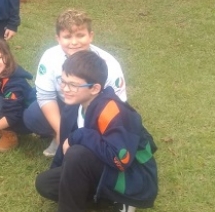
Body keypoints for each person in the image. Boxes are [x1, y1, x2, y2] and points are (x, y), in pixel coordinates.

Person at [35, 51, 158, 212]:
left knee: (77, 153)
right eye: (63, 82)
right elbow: (64, 147)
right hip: (101, 164)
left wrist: (80, 135)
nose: (65, 89)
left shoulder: (112, 111)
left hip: (132, 176)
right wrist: (60, 171)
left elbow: (120, 160)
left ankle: (124, 200)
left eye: (73, 85)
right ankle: (103, 197)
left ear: (94, 88)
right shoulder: (72, 105)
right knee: (45, 183)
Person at [23, 9, 127, 157]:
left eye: (80, 35)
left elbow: (118, 105)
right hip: (66, 103)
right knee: (32, 115)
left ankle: (87, 143)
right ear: (58, 38)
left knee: (84, 151)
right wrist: (61, 131)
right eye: (67, 36)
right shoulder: (50, 57)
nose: (74, 42)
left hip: (95, 110)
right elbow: (45, 96)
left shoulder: (109, 65)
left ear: (90, 36)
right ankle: (58, 137)